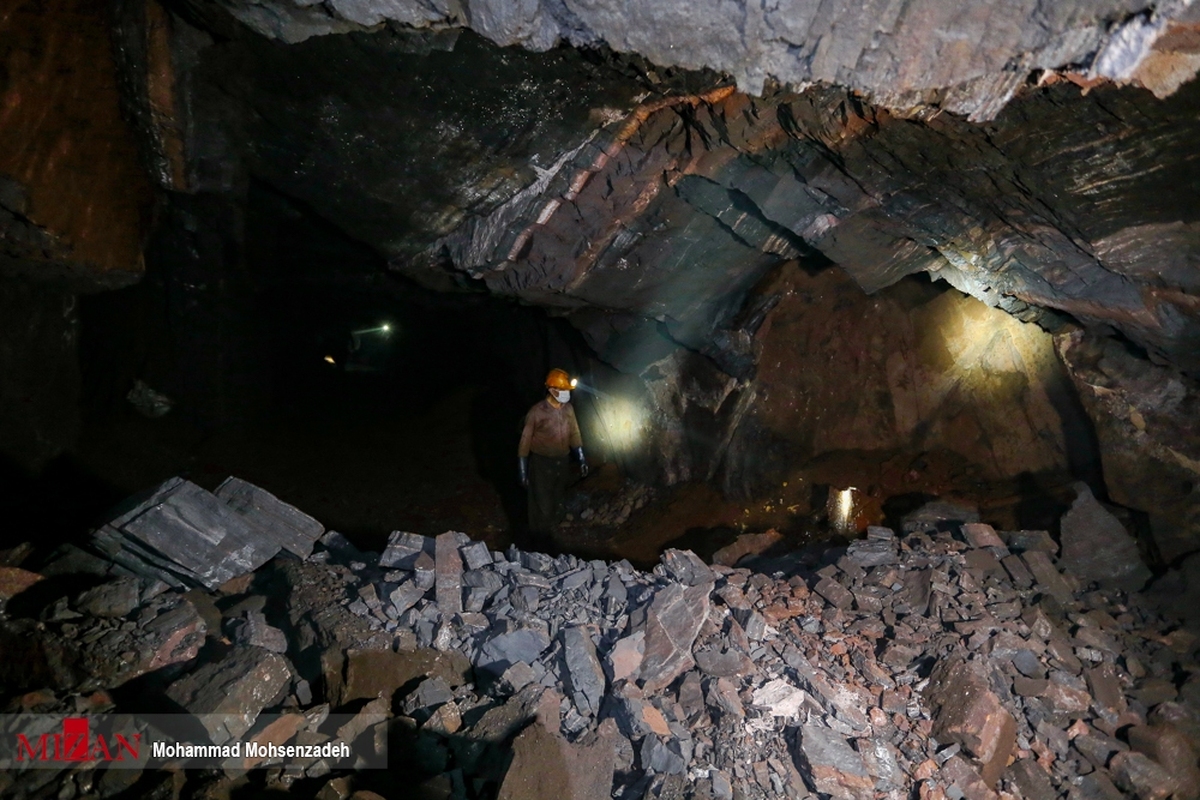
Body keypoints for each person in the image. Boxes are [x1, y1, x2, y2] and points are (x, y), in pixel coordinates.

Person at [518, 368, 588, 538]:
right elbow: (525, 441)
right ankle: (539, 540)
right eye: (562, 390)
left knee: (558, 498)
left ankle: (555, 538)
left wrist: (581, 458)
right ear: (551, 390)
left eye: (566, 391)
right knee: (542, 504)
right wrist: (522, 470)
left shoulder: (568, 409)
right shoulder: (537, 412)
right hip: (542, 463)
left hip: (562, 460)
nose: (565, 394)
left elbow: (575, 433)